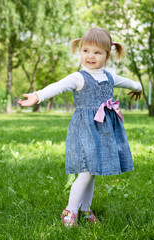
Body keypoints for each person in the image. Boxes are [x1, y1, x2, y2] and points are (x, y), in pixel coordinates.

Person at [18, 27, 142, 227]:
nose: (90, 56)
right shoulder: (79, 77)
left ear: (107, 55)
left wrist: (139, 88)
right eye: (86, 51)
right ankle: (70, 211)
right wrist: (38, 96)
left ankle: (85, 210)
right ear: (80, 50)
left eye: (97, 52)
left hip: (102, 131)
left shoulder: (109, 77)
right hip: (85, 131)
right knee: (85, 171)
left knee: (92, 171)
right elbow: (56, 86)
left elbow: (131, 83)